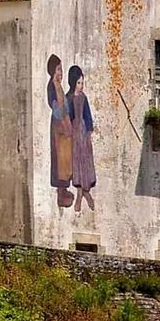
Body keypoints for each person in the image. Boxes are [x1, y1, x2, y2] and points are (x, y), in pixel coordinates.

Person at [67, 65, 96, 212]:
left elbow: (88, 115)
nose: (81, 86)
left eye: (82, 83)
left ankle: (86, 190)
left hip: (83, 132)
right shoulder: (69, 98)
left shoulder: (84, 98)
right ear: (73, 83)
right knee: (76, 160)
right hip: (74, 132)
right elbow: (68, 116)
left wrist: (89, 131)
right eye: (78, 83)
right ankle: (79, 191)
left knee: (85, 159)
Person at [47, 54, 73, 208]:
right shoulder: (52, 86)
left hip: (64, 125)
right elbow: (57, 109)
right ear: (52, 71)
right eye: (58, 69)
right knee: (60, 159)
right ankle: (61, 191)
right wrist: (64, 120)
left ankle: (65, 188)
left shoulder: (58, 86)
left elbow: (66, 108)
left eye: (61, 69)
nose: (60, 73)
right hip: (58, 127)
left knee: (65, 159)